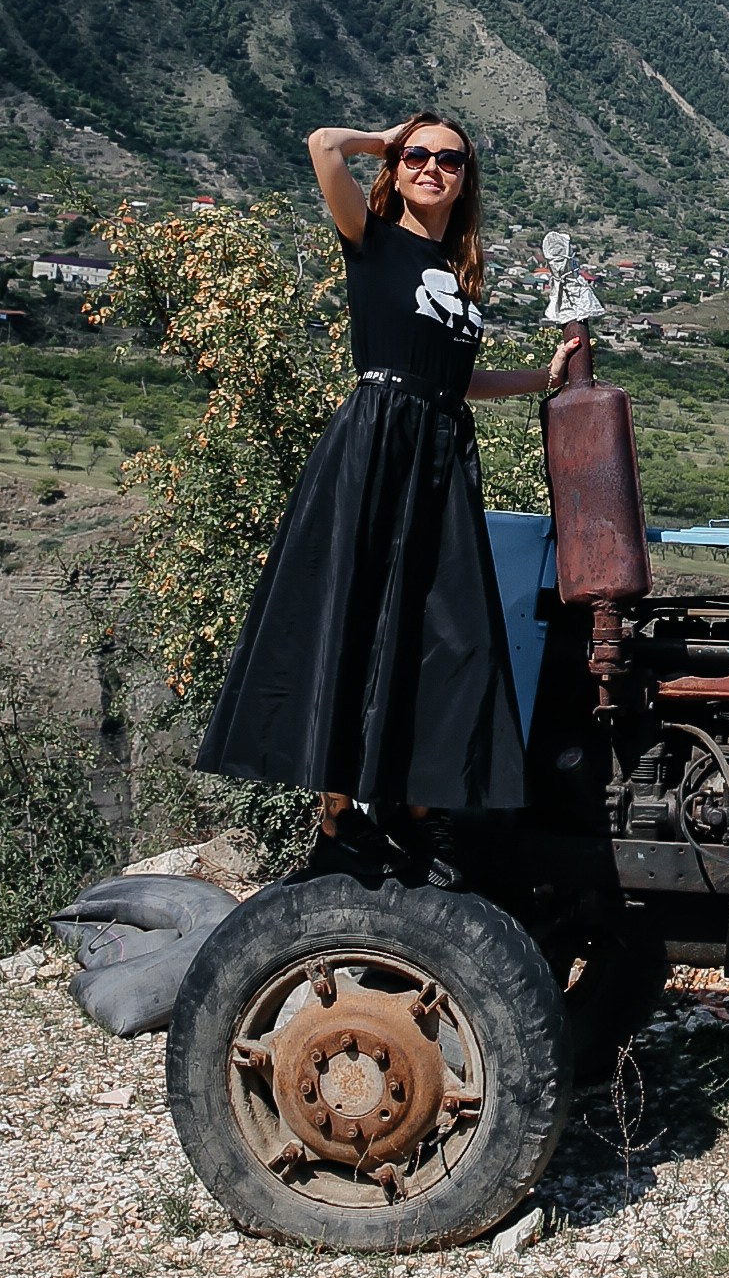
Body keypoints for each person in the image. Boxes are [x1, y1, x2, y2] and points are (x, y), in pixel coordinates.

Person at [193, 115, 584, 848]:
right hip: (377, 442)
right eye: (420, 155)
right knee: (357, 610)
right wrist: (385, 137)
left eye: (450, 159)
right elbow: (320, 146)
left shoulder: (464, 275)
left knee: (449, 629)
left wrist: (542, 377)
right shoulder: (370, 236)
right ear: (399, 166)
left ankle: (415, 803)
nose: (433, 166)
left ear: (466, 178)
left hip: (439, 451)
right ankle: (339, 810)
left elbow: (457, 380)